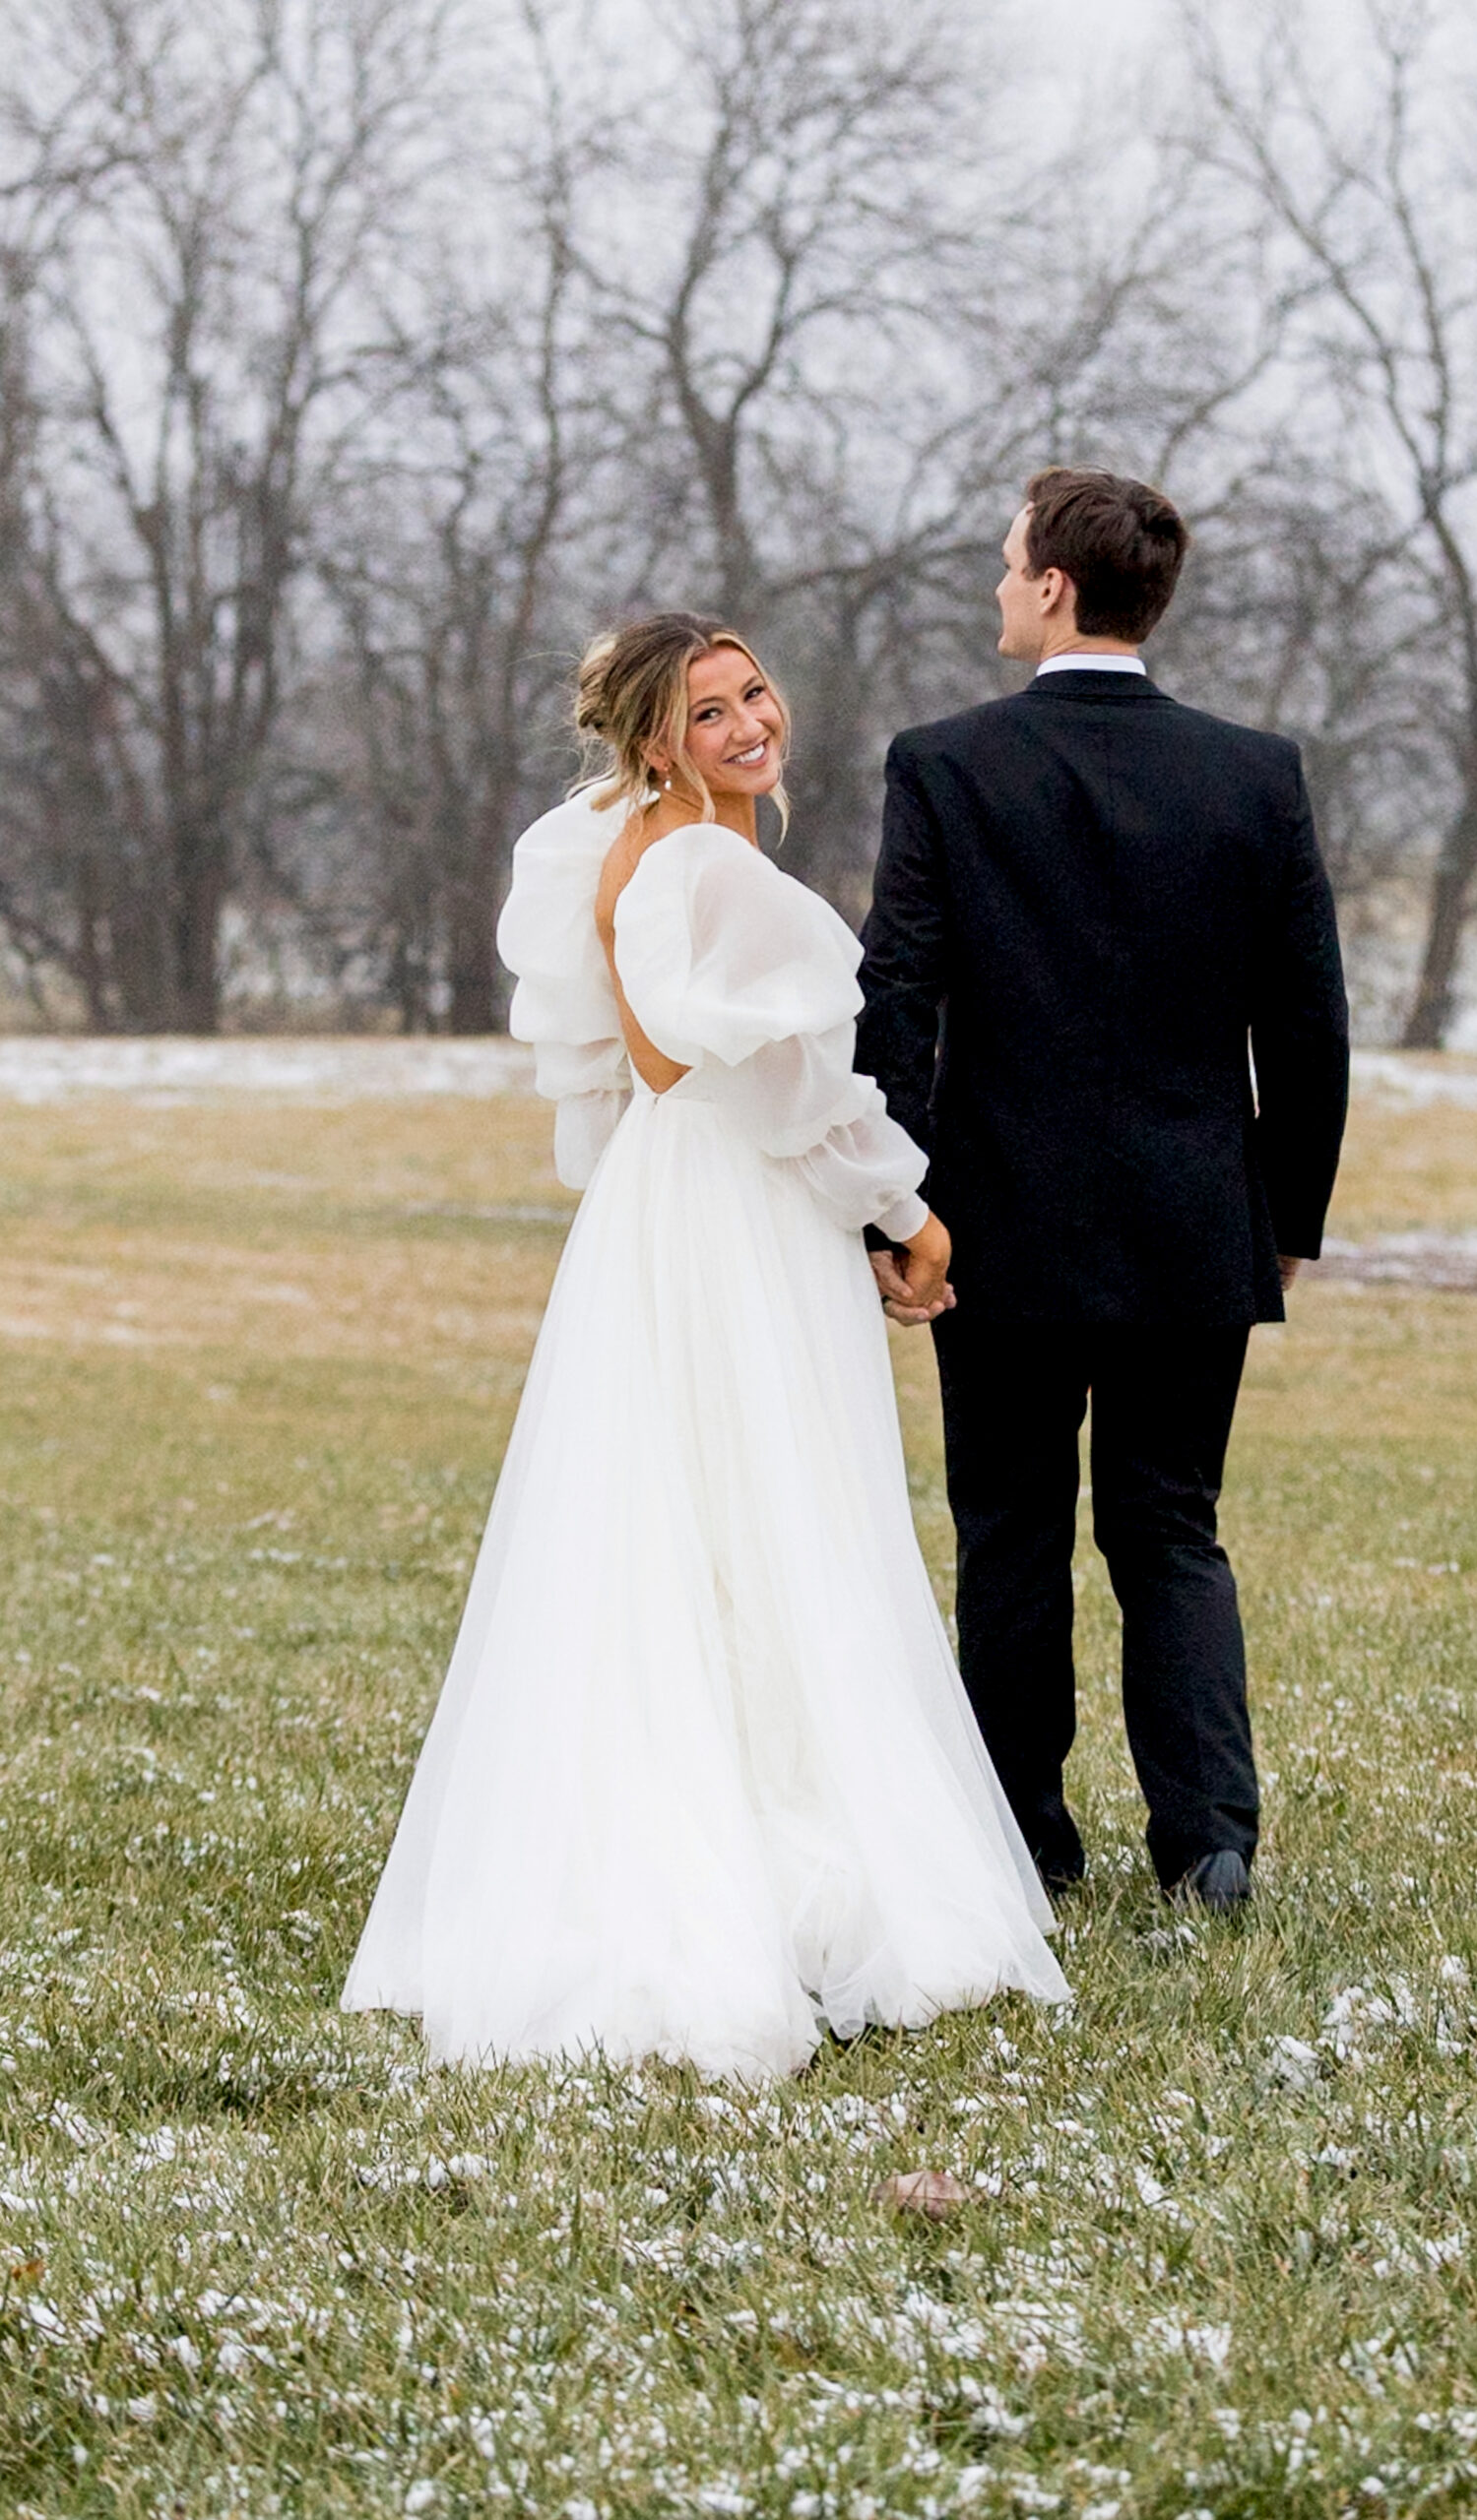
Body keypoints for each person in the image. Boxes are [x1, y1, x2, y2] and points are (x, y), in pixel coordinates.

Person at [342, 613, 1067, 2082]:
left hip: (656, 1207)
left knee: (670, 1520)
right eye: (707, 709)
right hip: (738, 1212)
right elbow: (799, 1089)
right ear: (654, 740)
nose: (748, 722)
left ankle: (692, 1829)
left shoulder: (615, 853)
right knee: (780, 1510)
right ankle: (783, 1865)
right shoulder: (714, 869)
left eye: (752, 692)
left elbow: (639, 1070)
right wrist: (906, 1215)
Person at [858, 469, 1350, 1913]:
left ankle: (1023, 1841)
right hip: (1195, 1218)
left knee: (1009, 1528)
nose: (1000, 585)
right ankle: (1209, 1845)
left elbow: (898, 998)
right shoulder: (1252, 772)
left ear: (1057, 586)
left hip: (994, 1221)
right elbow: (1305, 1024)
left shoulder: (943, 764)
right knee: (1169, 1523)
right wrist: (1285, 1215)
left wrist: (898, 1206)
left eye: (1011, 564)